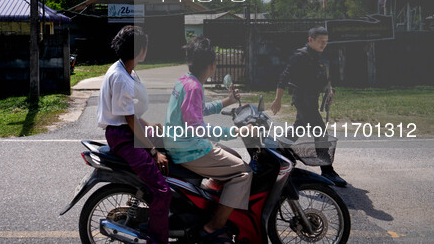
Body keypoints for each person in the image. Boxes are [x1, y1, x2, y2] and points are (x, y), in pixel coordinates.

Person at [165, 36, 252, 243]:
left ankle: (212, 203)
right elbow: (197, 127)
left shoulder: (185, 81)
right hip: (190, 149)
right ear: (212, 65)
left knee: (233, 155)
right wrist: (235, 133)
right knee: (244, 172)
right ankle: (214, 225)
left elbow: (199, 110)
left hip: (180, 144)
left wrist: (227, 101)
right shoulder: (194, 87)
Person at [96, 26, 171, 244]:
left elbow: (131, 114)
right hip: (123, 137)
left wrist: (150, 126)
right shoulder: (122, 78)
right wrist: (154, 151)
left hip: (128, 129)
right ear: (140, 51)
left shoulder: (126, 70)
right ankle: (157, 239)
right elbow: (128, 119)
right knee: (163, 191)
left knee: (173, 139)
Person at [270, 26, 347, 187]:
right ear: (310, 40)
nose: (323, 45)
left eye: (326, 42)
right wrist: (277, 100)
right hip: (302, 100)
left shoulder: (318, 56)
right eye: (320, 42)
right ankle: (328, 171)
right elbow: (284, 77)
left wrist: (330, 91)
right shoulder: (300, 56)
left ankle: (278, 156)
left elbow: (325, 77)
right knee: (321, 134)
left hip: (312, 100)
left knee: (297, 129)